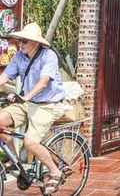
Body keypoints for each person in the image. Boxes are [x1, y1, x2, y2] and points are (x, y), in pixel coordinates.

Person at [0, 23, 71, 194]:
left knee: (30, 142)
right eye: (20, 41)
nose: (21, 44)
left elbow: (43, 81)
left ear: (36, 42)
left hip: (47, 105)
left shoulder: (49, 56)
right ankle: (15, 160)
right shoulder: (19, 56)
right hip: (27, 103)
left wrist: (26, 96)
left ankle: (55, 171)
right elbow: (5, 76)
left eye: (25, 41)